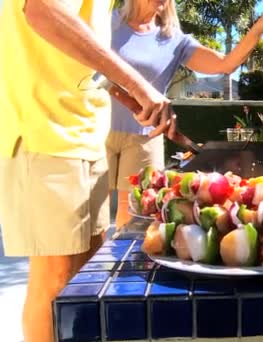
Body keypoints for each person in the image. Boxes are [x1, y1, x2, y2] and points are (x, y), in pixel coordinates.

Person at [0, 0, 177, 341]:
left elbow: (73, 54)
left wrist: (125, 92)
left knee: (81, 282)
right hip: (47, 132)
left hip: (80, 136)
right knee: (55, 279)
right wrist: (139, 84)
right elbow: (42, 10)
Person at [107, 0, 263, 228]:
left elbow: (225, 64)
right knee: (93, 221)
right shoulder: (107, 21)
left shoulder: (173, 40)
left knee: (135, 221)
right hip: (99, 131)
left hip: (146, 138)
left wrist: (257, 29)